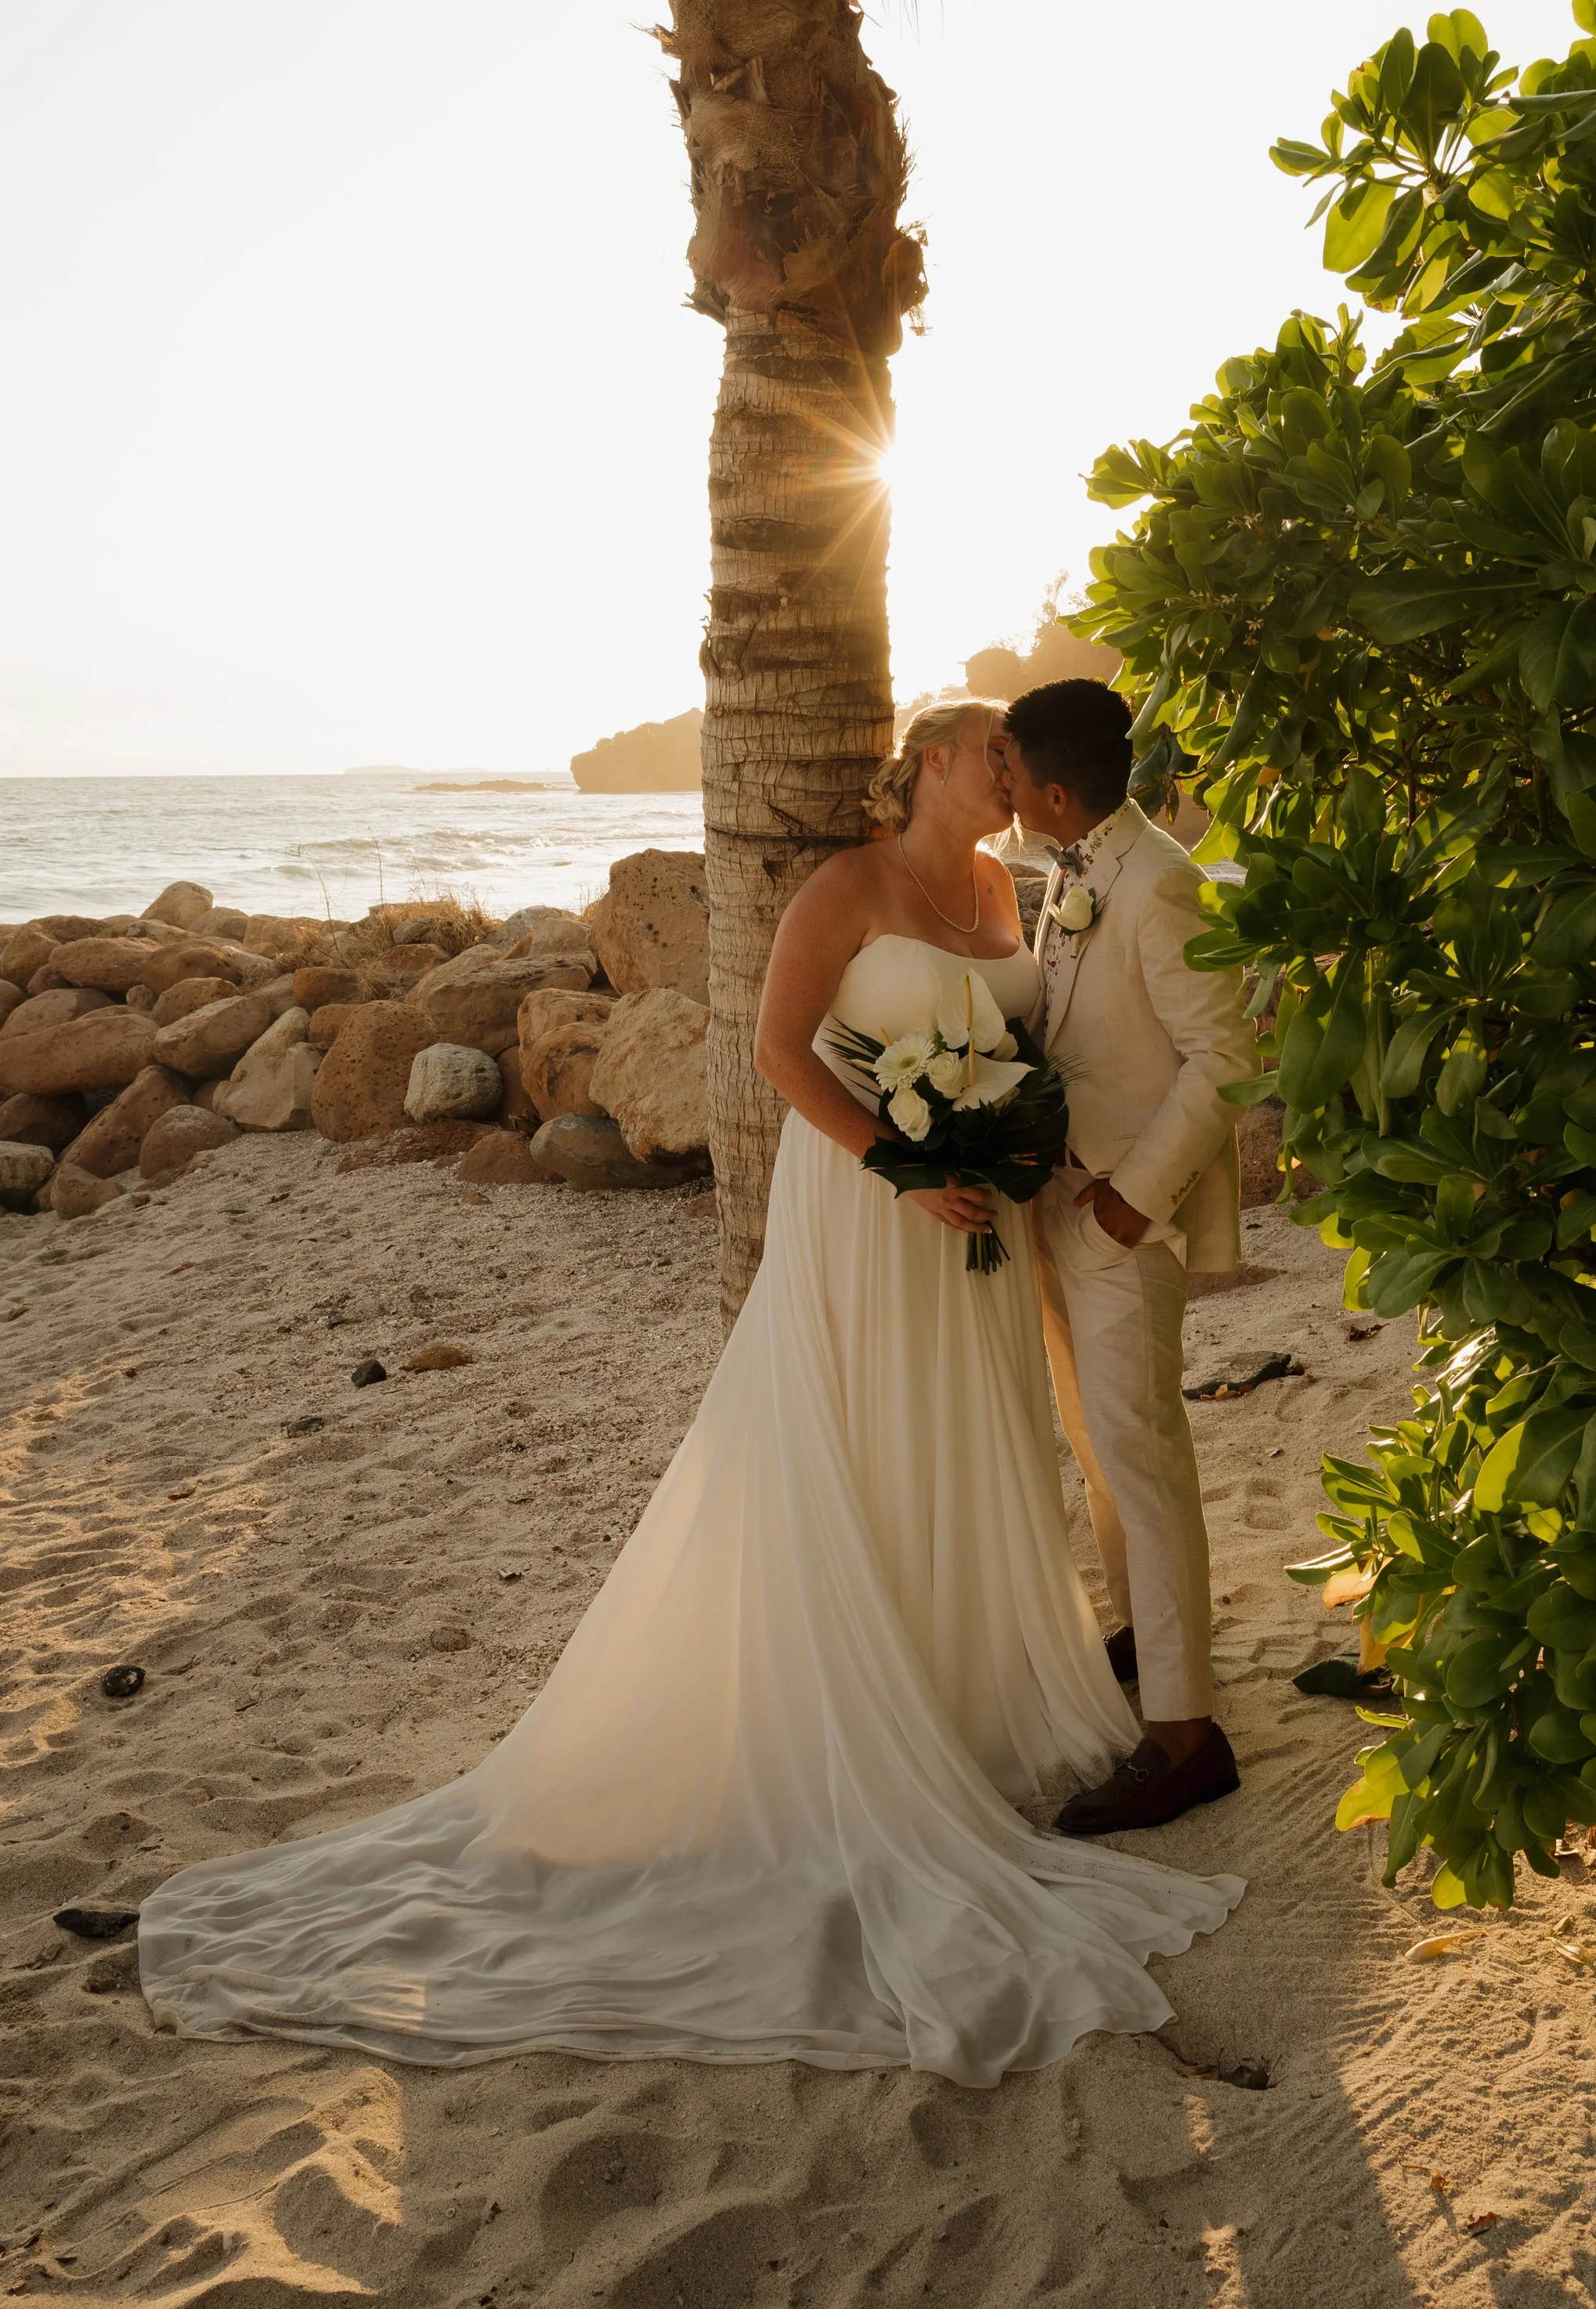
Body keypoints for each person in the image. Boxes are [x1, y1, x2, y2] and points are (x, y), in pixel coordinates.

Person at [137, 701, 1238, 2087]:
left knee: (979, 1445)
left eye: (1016, 757)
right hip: (871, 1211)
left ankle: (974, 1685)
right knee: (864, 1445)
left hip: (988, 1217)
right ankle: (867, 1706)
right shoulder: (844, 885)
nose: (1007, 768)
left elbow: (1055, 1049)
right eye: (983, 748)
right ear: (928, 769)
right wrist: (905, 1163)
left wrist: (1005, 1152)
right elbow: (782, 1054)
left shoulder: (1015, 890)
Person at [994, 680, 1257, 1837]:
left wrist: (1130, 1203)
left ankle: (1187, 1738)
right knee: (1100, 1446)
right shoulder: (1071, 868)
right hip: (1057, 1201)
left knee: (1141, 1457)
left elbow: (1224, 1059)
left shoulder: (1160, 883)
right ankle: (1150, 1638)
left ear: (1055, 790)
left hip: (1119, 1218)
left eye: (1008, 771)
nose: (997, 786)